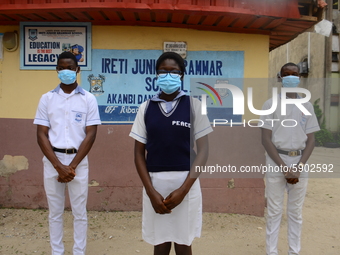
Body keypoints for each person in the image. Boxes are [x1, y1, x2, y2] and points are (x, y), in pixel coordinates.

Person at [129, 52, 213, 255]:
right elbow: (139, 154)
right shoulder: (146, 108)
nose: (168, 75)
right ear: (156, 75)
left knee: (184, 243)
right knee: (161, 243)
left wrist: (184, 190)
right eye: (163, 71)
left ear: (182, 75)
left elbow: (203, 151)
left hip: (186, 183)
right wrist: (151, 192)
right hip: (155, 184)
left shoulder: (194, 106)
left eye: (173, 71)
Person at [33, 51, 101, 255]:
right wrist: (58, 166)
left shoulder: (88, 99)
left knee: (79, 212)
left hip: (78, 161)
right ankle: (57, 252)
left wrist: (71, 166)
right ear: (57, 70)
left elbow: (91, 134)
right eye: (62, 67)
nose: (66, 71)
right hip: (52, 159)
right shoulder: (47, 99)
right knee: (55, 212)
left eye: (70, 68)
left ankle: (79, 252)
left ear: (78, 70)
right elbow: (41, 135)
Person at [259, 62, 320, 255]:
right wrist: (284, 168)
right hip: (276, 160)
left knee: (295, 213)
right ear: (280, 78)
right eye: (286, 74)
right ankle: (272, 252)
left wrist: (299, 166)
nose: (290, 77)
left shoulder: (307, 106)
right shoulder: (270, 105)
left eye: (294, 74)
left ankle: (294, 251)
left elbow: (311, 140)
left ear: (299, 78)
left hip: (300, 162)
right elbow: (265, 139)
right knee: (274, 211)